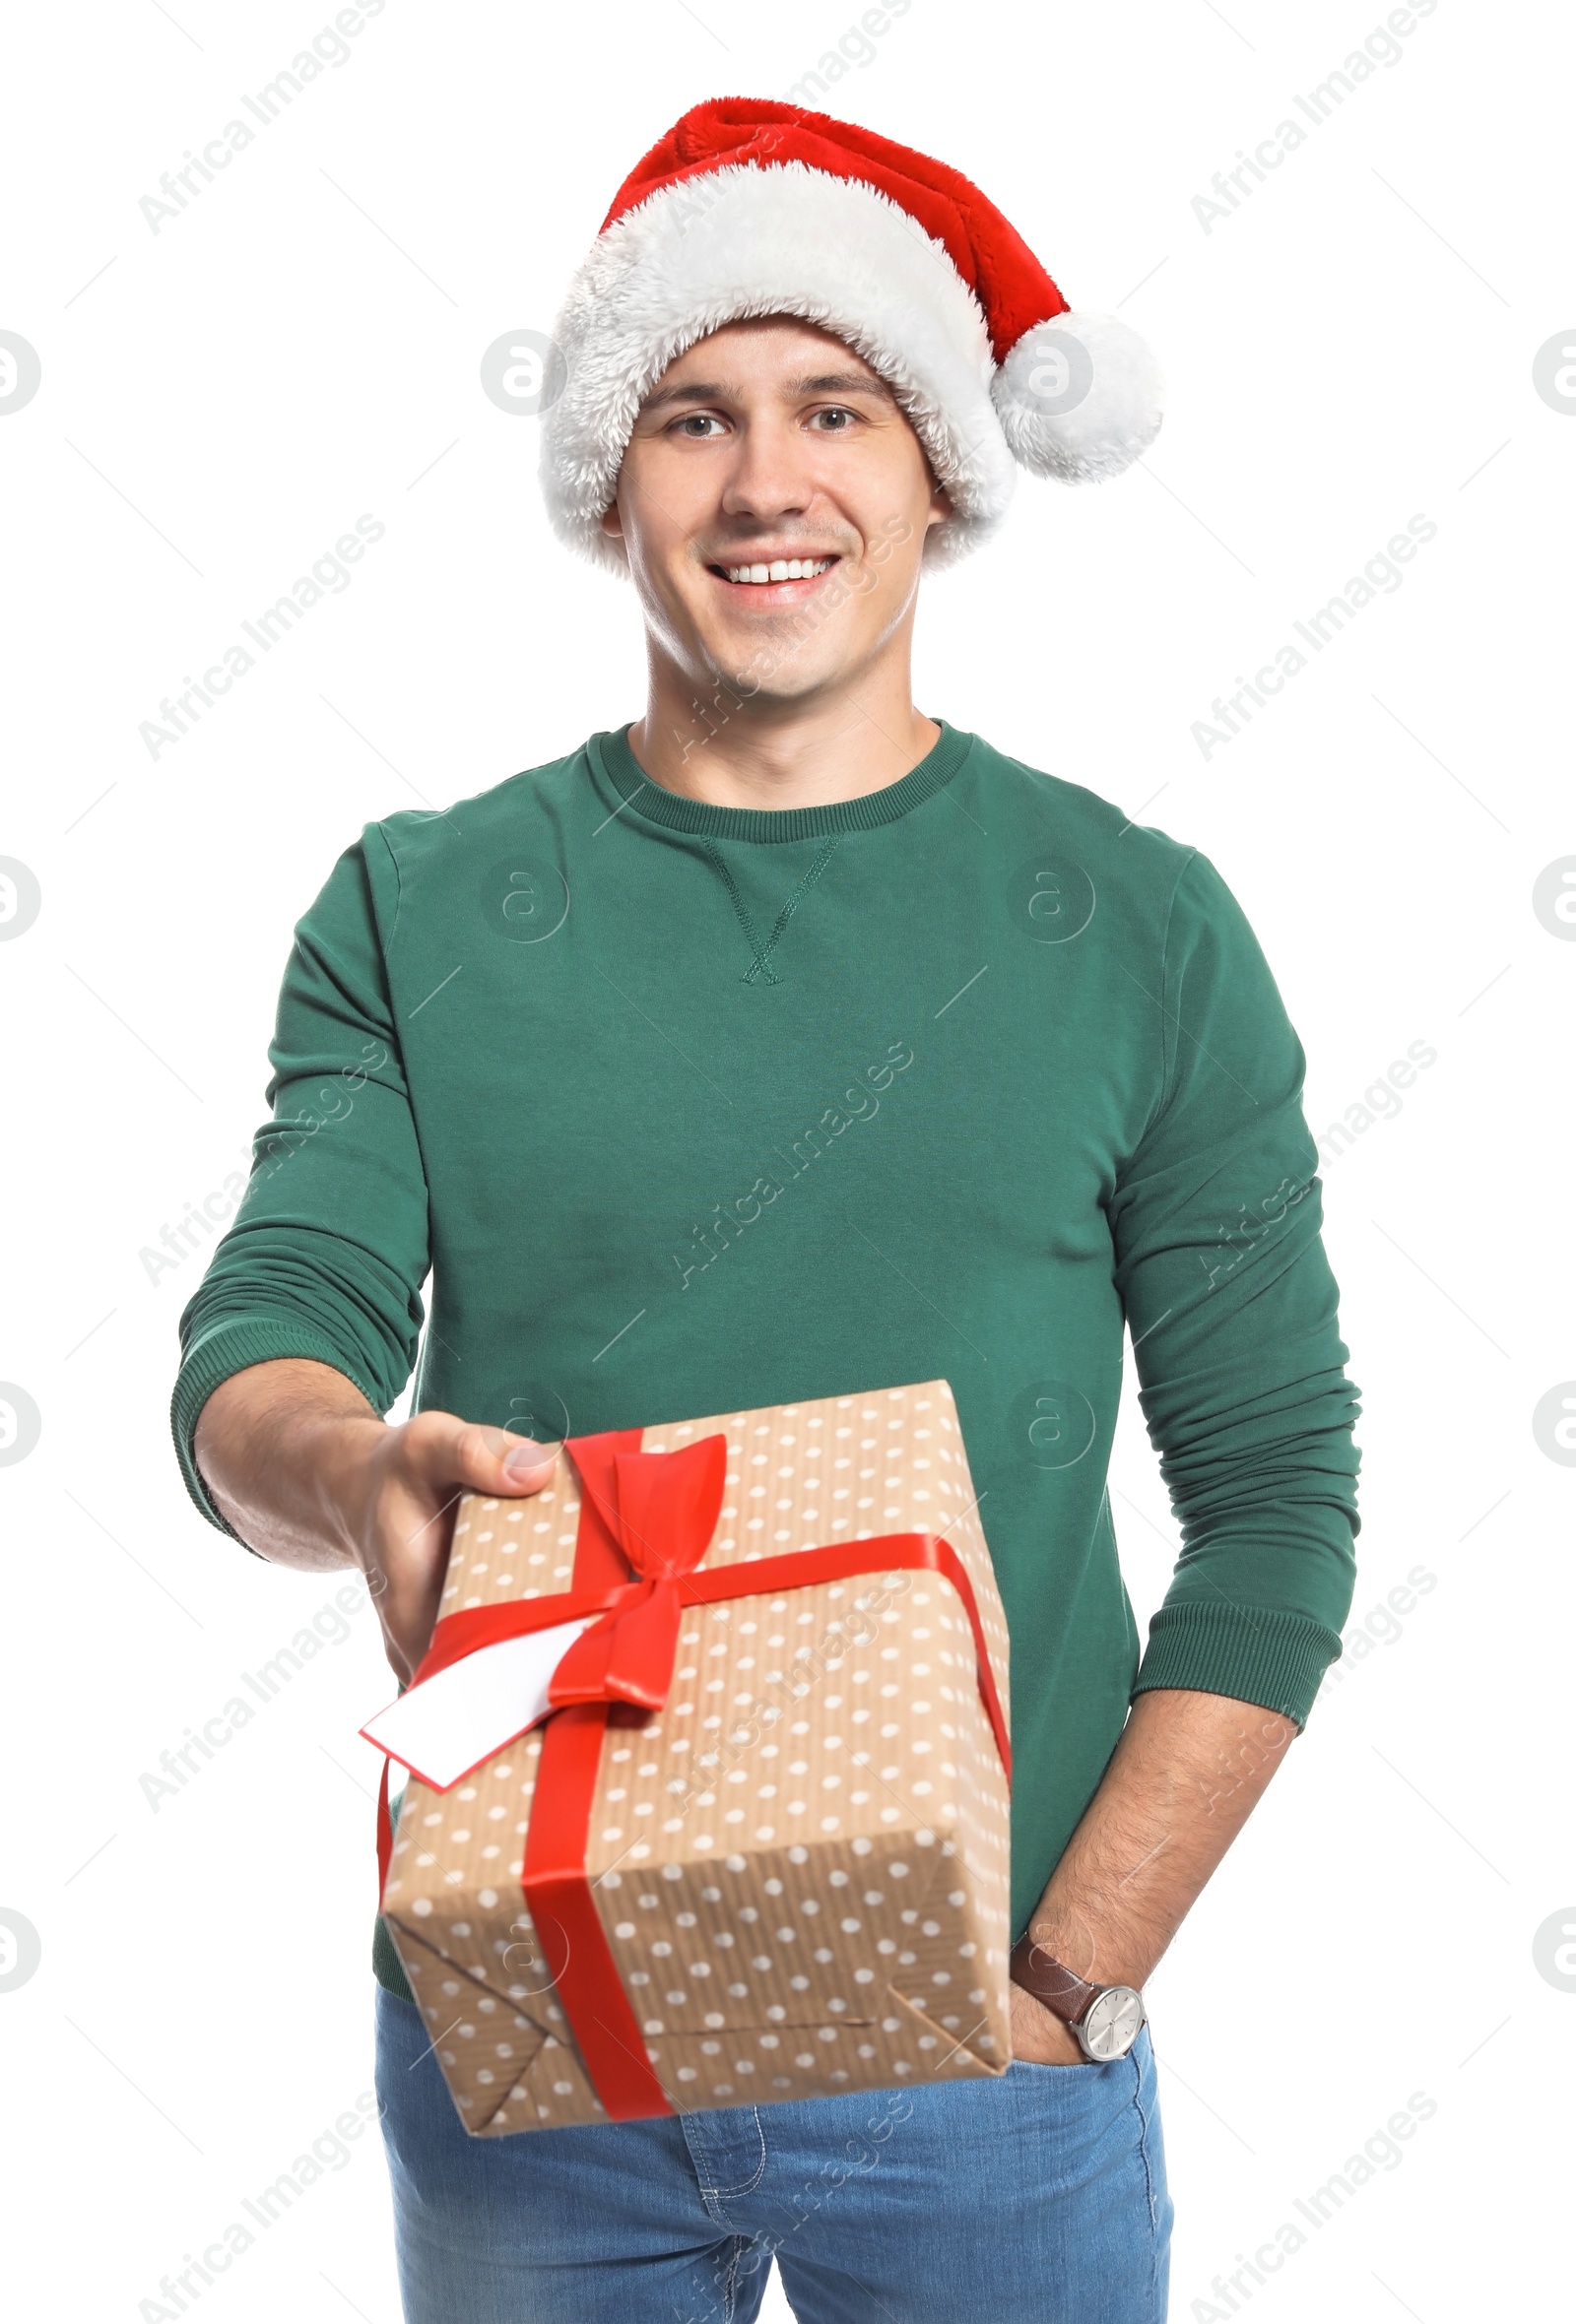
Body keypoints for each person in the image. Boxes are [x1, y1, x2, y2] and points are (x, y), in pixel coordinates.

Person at [175, 98, 1361, 2324]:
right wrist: (348, 1469)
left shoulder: (1134, 928)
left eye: (832, 405)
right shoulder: (413, 906)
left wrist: (1063, 1977)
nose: (762, 482)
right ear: (609, 478)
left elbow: (1278, 1503)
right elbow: (263, 1339)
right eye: (691, 416)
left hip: (983, 2055)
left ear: (932, 463)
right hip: (525, 2016)